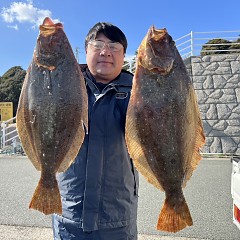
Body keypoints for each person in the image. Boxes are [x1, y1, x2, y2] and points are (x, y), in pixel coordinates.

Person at [52, 22, 139, 240]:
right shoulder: (64, 87)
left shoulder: (140, 93)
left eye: (114, 46)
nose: (105, 52)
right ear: (86, 50)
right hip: (68, 215)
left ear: (124, 55)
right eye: (97, 44)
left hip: (118, 219)